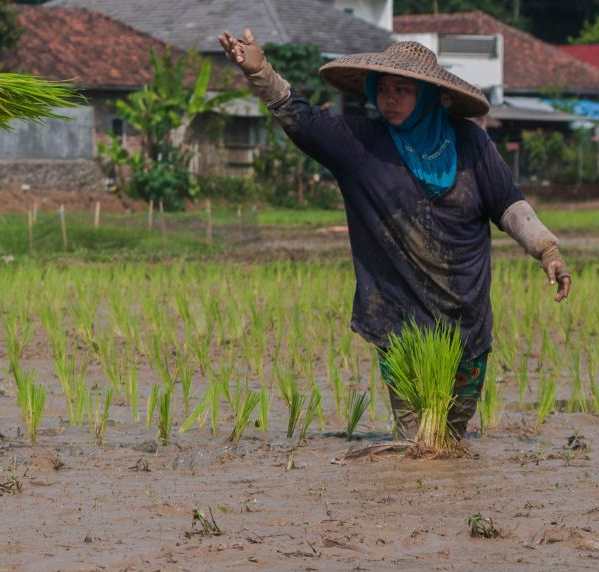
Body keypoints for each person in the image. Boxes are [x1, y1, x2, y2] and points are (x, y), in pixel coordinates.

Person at [218, 31, 571, 439]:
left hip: (466, 315)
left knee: (452, 438)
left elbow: (509, 204)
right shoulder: (361, 145)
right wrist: (260, 72)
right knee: (413, 441)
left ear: (429, 95)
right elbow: (305, 121)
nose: (390, 98)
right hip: (398, 317)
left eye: (403, 89)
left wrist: (547, 250)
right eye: (383, 88)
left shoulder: (470, 142)